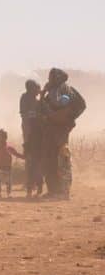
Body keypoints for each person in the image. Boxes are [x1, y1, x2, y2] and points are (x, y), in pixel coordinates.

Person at [40, 68, 86, 198]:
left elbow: (57, 104)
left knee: (60, 159)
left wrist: (65, 119)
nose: (49, 79)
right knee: (51, 159)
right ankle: (54, 191)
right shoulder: (56, 90)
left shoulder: (63, 89)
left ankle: (62, 191)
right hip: (53, 129)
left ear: (57, 78)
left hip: (59, 130)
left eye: (51, 77)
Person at [0, 129, 25, 198]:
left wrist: (24, 157)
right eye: (1, 137)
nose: (3, 138)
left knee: (8, 182)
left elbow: (16, 154)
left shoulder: (8, 147)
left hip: (7, 167)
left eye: (4, 137)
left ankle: (8, 194)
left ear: (6, 137)